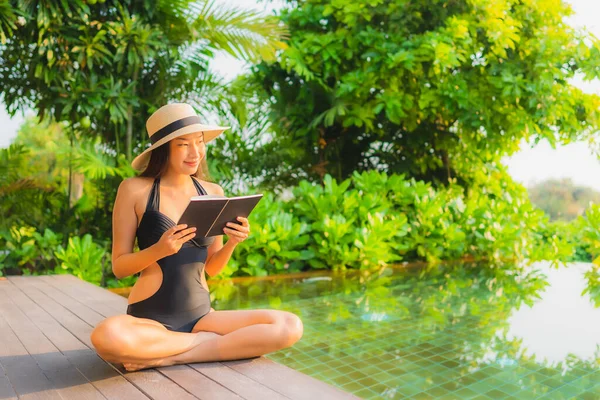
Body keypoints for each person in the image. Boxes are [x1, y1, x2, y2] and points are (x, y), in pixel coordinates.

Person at [90, 103, 303, 372]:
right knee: (106, 336)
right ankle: (202, 345)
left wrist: (233, 242)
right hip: (150, 321)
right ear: (163, 149)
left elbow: (212, 267)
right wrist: (160, 249)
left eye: (199, 142)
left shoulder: (212, 191)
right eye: (183, 144)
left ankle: (175, 354)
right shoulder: (134, 190)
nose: (195, 153)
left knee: (289, 326)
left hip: (203, 318)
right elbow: (119, 267)